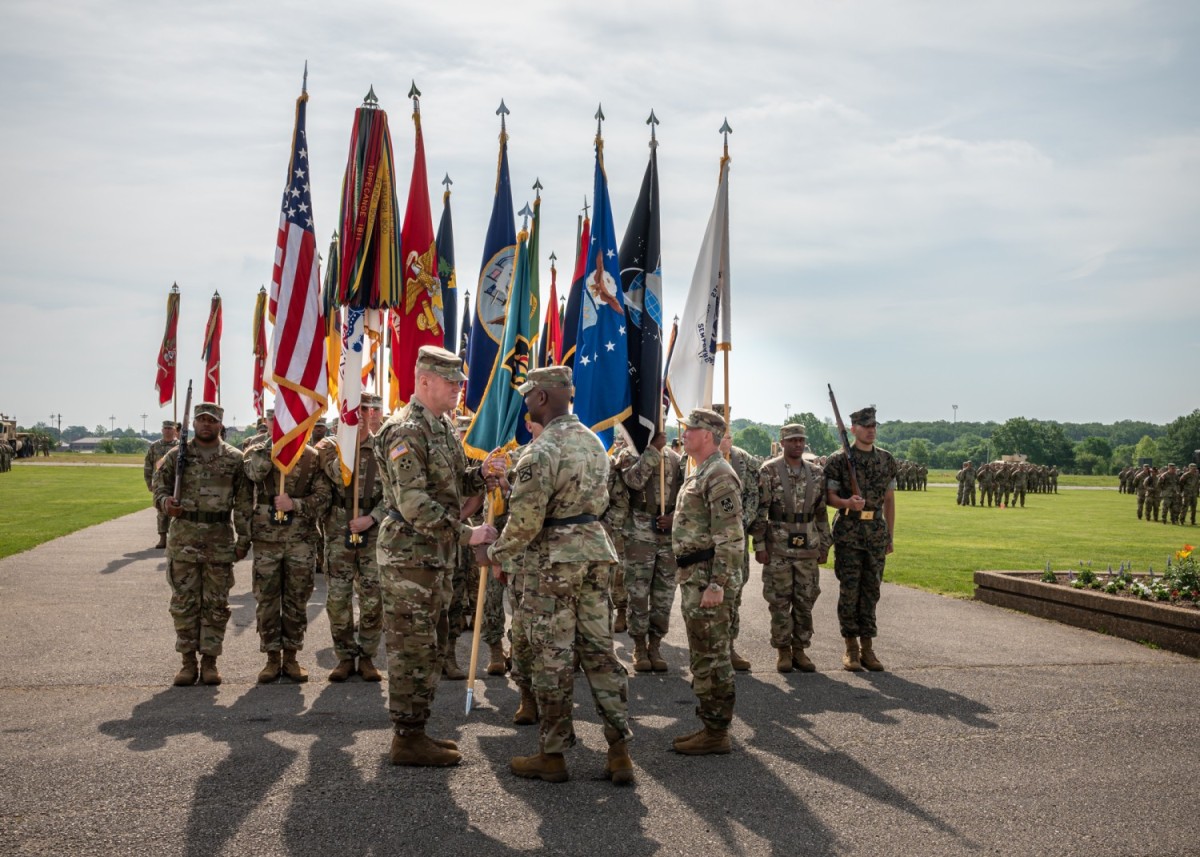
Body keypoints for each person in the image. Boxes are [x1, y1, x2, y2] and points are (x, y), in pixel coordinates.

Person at [482, 366, 633, 785]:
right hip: (593, 551)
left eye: (529, 395)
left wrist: (493, 552)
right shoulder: (593, 443)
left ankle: (552, 755)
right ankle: (619, 751)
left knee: (554, 655)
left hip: (553, 560)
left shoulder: (541, 450)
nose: (525, 402)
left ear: (543, 399)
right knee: (601, 652)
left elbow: (527, 521)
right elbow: (597, 501)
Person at [374, 345, 492, 767]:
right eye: (452, 382)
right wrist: (468, 534)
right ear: (424, 381)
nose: (460, 388)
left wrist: (480, 474)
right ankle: (406, 737)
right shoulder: (405, 430)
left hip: (432, 557)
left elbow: (452, 481)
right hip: (410, 556)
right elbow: (415, 504)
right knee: (412, 647)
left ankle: (417, 729)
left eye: (460, 381)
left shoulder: (440, 427)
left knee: (432, 644)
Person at [152, 402, 252, 686]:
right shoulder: (176, 456)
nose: (206, 425)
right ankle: (187, 663)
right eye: (201, 420)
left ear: (221, 424)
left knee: (216, 604)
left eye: (212, 420)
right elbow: (158, 490)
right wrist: (165, 503)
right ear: (193, 424)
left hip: (219, 539)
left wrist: (244, 540)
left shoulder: (235, 459)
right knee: (184, 604)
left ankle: (209, 662)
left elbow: (244, 504)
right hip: (183, 540)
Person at [671, 407, 744, 756]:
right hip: (694, 576)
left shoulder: (719, 474)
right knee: (703, 653)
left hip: (707, 578)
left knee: (712, 656)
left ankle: (716, 732)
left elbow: (731, 536)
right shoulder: (700, 471)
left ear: (708, 436)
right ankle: (711, 725)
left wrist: (717, 584)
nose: (684, 434)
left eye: (691, 430)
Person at [243, 426, 331, 683]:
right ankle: (271, 658)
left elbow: (324, 497)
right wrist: (273, 447)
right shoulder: (258, 452)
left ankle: (291, 656)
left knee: (297, 598)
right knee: (267, 599)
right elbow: (252, 474)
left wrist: (296, 504)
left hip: (300, 539)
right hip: (266, 539)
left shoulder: (312, 457)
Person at [750, 423, 831, 673]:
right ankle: (783, 651)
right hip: (778, 547)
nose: (797, 444)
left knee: (805, 600)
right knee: (779, 602)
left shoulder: (817, 473)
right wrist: (760, 545)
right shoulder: (769, 471)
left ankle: (801, 650)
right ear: (782, 442)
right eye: (792, 440)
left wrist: (825, 545)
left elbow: (821, 512)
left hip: (808, 545)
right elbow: (760, 511)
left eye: (801, 440)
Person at [316, 393, 385, 682]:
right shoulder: (331, 448)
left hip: (371, 532)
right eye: (356, 410)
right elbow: (333, 476)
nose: (361, 415)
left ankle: (367, 656)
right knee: (338, 600)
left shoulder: (385, 448)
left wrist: (372, 518)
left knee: (372, 598)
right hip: (339, 534)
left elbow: (395, 494)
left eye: (367, 410)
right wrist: (349, 443)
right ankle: (345, 657)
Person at [824, 406, 897, 672]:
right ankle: (851, 648)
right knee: (850, 590)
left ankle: (868, 647)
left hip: (875, 533)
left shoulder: (886, 460)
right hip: (849, 532)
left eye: (874, 426)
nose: (871, 430)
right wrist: (846, 502)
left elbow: (889, 500)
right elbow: (829, 497)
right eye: (866, 426)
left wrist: (890, 535)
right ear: (852, 429)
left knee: (871, 591)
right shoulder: (839, 459)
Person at [617, 429, 683, 673]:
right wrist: (652, 451)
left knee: (664, 594)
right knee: (638, 591)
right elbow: (634, 481)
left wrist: (674, 518)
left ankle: (655, 645)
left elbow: (686, 494)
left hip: (667, 534)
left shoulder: (676, 459)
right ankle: (639, 646)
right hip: (639, 530)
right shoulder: (629, 454)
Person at [713, 409, 761, 672]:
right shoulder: (692, 459)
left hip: (735, 542)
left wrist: (741, 523)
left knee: (733, 594)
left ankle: (729, 647)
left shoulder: (744, 460)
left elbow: (755, 494)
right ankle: (706, 649)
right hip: (706, 542)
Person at [144, 420, 179, 549]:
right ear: (162, 430)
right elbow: (148, 465)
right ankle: (162, 538)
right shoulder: (154, 446)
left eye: (170, 428)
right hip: (159, 483)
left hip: (176, 483)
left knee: (176, 509)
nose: (168, 431)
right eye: (165, 428)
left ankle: (174, 537)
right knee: (161, 510)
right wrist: (149, 483)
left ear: (175, 430)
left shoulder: (181, 446)